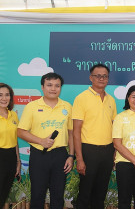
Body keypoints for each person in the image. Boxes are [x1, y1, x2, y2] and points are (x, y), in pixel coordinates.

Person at [17, 73, 74, 209]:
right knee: (37, 195)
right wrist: (41, 141)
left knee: (58, 195)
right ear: (42, 87)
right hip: (39, 155)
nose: (53, 89)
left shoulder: (67, 107)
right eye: (49, 85)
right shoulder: (32, 106)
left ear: (60, 88)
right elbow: (20, 131)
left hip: (60, 155)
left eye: (57, 86)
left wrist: (71, 156)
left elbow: (71, 133)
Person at [72, 64, 117, 209]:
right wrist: (79, 159)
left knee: (101, 193)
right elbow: (76, 131)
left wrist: (115, 151)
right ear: (91, 78)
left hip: (108, 151)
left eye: (105, 76)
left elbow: (114, 127)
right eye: (98, 76)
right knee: (85, 193)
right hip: (88, 151)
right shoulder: (81, 98)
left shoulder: (111, 100)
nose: (101, 79)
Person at [0, 83, 21, 208]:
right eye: (0, 95)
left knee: (3, 194)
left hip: (11, 157)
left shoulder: (13, 115)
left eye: (7, 95)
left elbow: (15, 139)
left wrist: (18, 161)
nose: (4, 98)